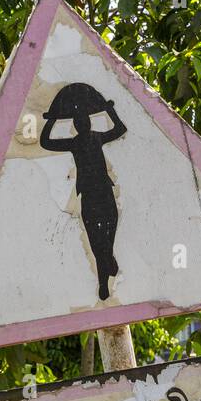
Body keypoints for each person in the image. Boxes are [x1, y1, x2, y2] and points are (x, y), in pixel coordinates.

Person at [40, 83, 128, 300]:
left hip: (103, 191)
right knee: (94, 237)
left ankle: (108, 258)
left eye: (85, 120)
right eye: (79, 122)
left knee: (111, 226)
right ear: (77, 126)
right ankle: (103, 280)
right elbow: (45, 142)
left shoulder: (97, 137)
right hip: (88, 194)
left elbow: (120, 130)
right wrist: (52, 117)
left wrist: (109, 109)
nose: (83, 123)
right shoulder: (75, 143)